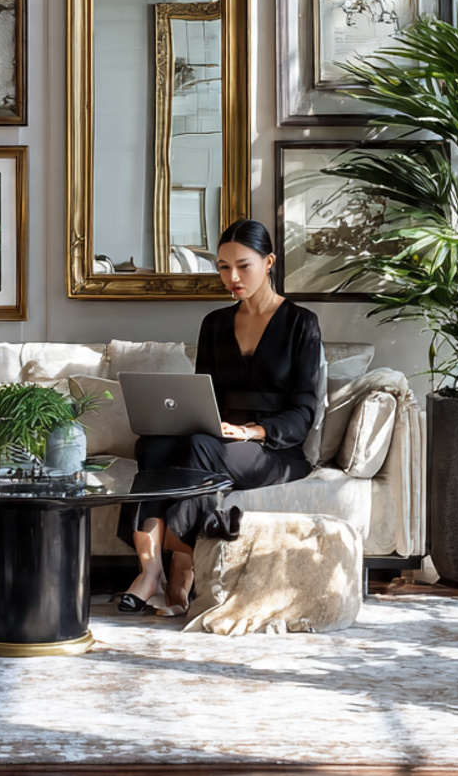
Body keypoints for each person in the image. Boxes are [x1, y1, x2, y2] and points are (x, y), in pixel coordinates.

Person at [117, 218, 321, 615]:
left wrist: (249, 431)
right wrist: (199, 422)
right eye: (223, 267)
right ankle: (150, 569)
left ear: (269, 262)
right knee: (153, 445)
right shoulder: (214, 324)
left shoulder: (301, 324)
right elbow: (202, 396)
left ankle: (180, 571)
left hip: (273, 450)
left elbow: (305, 412)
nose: (232, 277)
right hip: (216, 438)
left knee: (198, 447)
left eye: (243, 265)